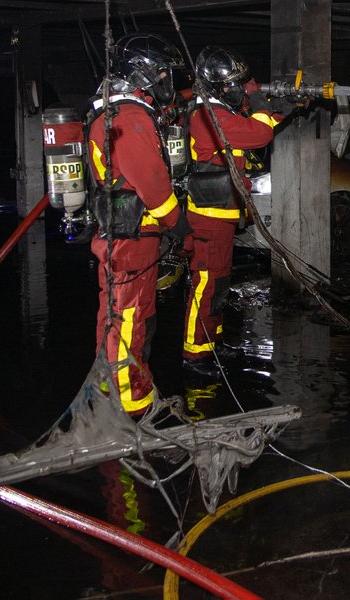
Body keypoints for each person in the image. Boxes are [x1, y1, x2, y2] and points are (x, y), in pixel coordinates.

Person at [86, 33, 191, 416]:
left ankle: (113, 394)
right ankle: (130, 407)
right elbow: (152, 184)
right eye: (162, 74)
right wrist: (178, 224)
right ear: (143, 75)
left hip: (125, 235)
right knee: (129, 320)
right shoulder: (129, 119)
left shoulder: (120, 111)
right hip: (131, 239)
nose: (167, 81)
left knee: (119, 317)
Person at [182, 46, 293, 367]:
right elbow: (258, 134)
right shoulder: (208, 116)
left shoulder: (220, 111)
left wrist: (283, 107)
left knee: (218, 282)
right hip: (209, 215)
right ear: (216, 88)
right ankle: (195, 354)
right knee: (207, 283)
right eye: (233, 85)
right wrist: (259, 99)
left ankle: (211, 343)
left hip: (221, 212)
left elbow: (254, 125)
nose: (239, 90)